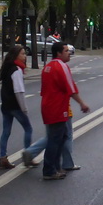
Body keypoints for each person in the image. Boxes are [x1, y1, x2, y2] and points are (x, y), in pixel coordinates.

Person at [39, 41, 90, 180]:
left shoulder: (47, 67)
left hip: (47, 106)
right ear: (58, 53)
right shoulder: (62, 66)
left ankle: (56, 168)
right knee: (55, 140)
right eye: (66, 51)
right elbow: (70, 88)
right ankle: (49, 170)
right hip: (58, 107)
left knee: (57, 138)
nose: (69, 53)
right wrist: (82, 103)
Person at [0, 45, 33, 170]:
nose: (25, 56)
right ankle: (28, 156)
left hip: (5, 106)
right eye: (22, 54)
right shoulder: (17, 70)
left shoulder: (7, 68)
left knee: (6, 132)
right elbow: (19, 91)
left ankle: (3, 158)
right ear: (16, 55)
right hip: (15, 106)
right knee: (28, 129)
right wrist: (24, 109)